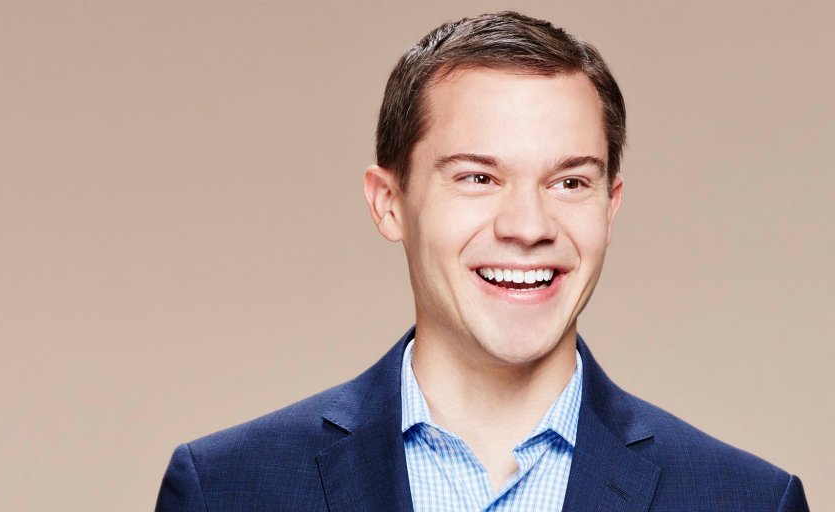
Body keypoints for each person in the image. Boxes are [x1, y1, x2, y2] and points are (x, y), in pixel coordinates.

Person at [155, 11, 809, 511]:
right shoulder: (226, 490)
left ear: (610, 208)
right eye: (477, 178)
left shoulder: (749, 501)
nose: (528, 227)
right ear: (389, 203)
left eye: (569, 182)